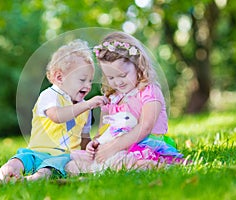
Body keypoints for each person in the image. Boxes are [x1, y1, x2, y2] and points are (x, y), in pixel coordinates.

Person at [66, 32, 184, 175]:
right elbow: (102, 132)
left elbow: (145, 127)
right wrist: (95, 144)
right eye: (111, 77)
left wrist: (113, 148)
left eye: (123, 75)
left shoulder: (149, 91)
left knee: (124, 163)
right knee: (71, 166)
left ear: (138, 66)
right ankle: (103, 168)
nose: (118, 82)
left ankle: (159, 165)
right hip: (115, 150)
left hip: (142, 147)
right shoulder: (112, 98)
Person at [0, 39, 108, 183]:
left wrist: (91, 151)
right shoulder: (50, 95)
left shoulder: (85, 108)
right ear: (59, 78)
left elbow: (84, 139)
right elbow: (57, 116)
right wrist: (88, 105)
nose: (88, 85)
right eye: (82, 79)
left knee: (50, 168)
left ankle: (31, 180)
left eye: (90, 80)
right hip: (35, 152)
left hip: (63, 157)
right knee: (17, 161)